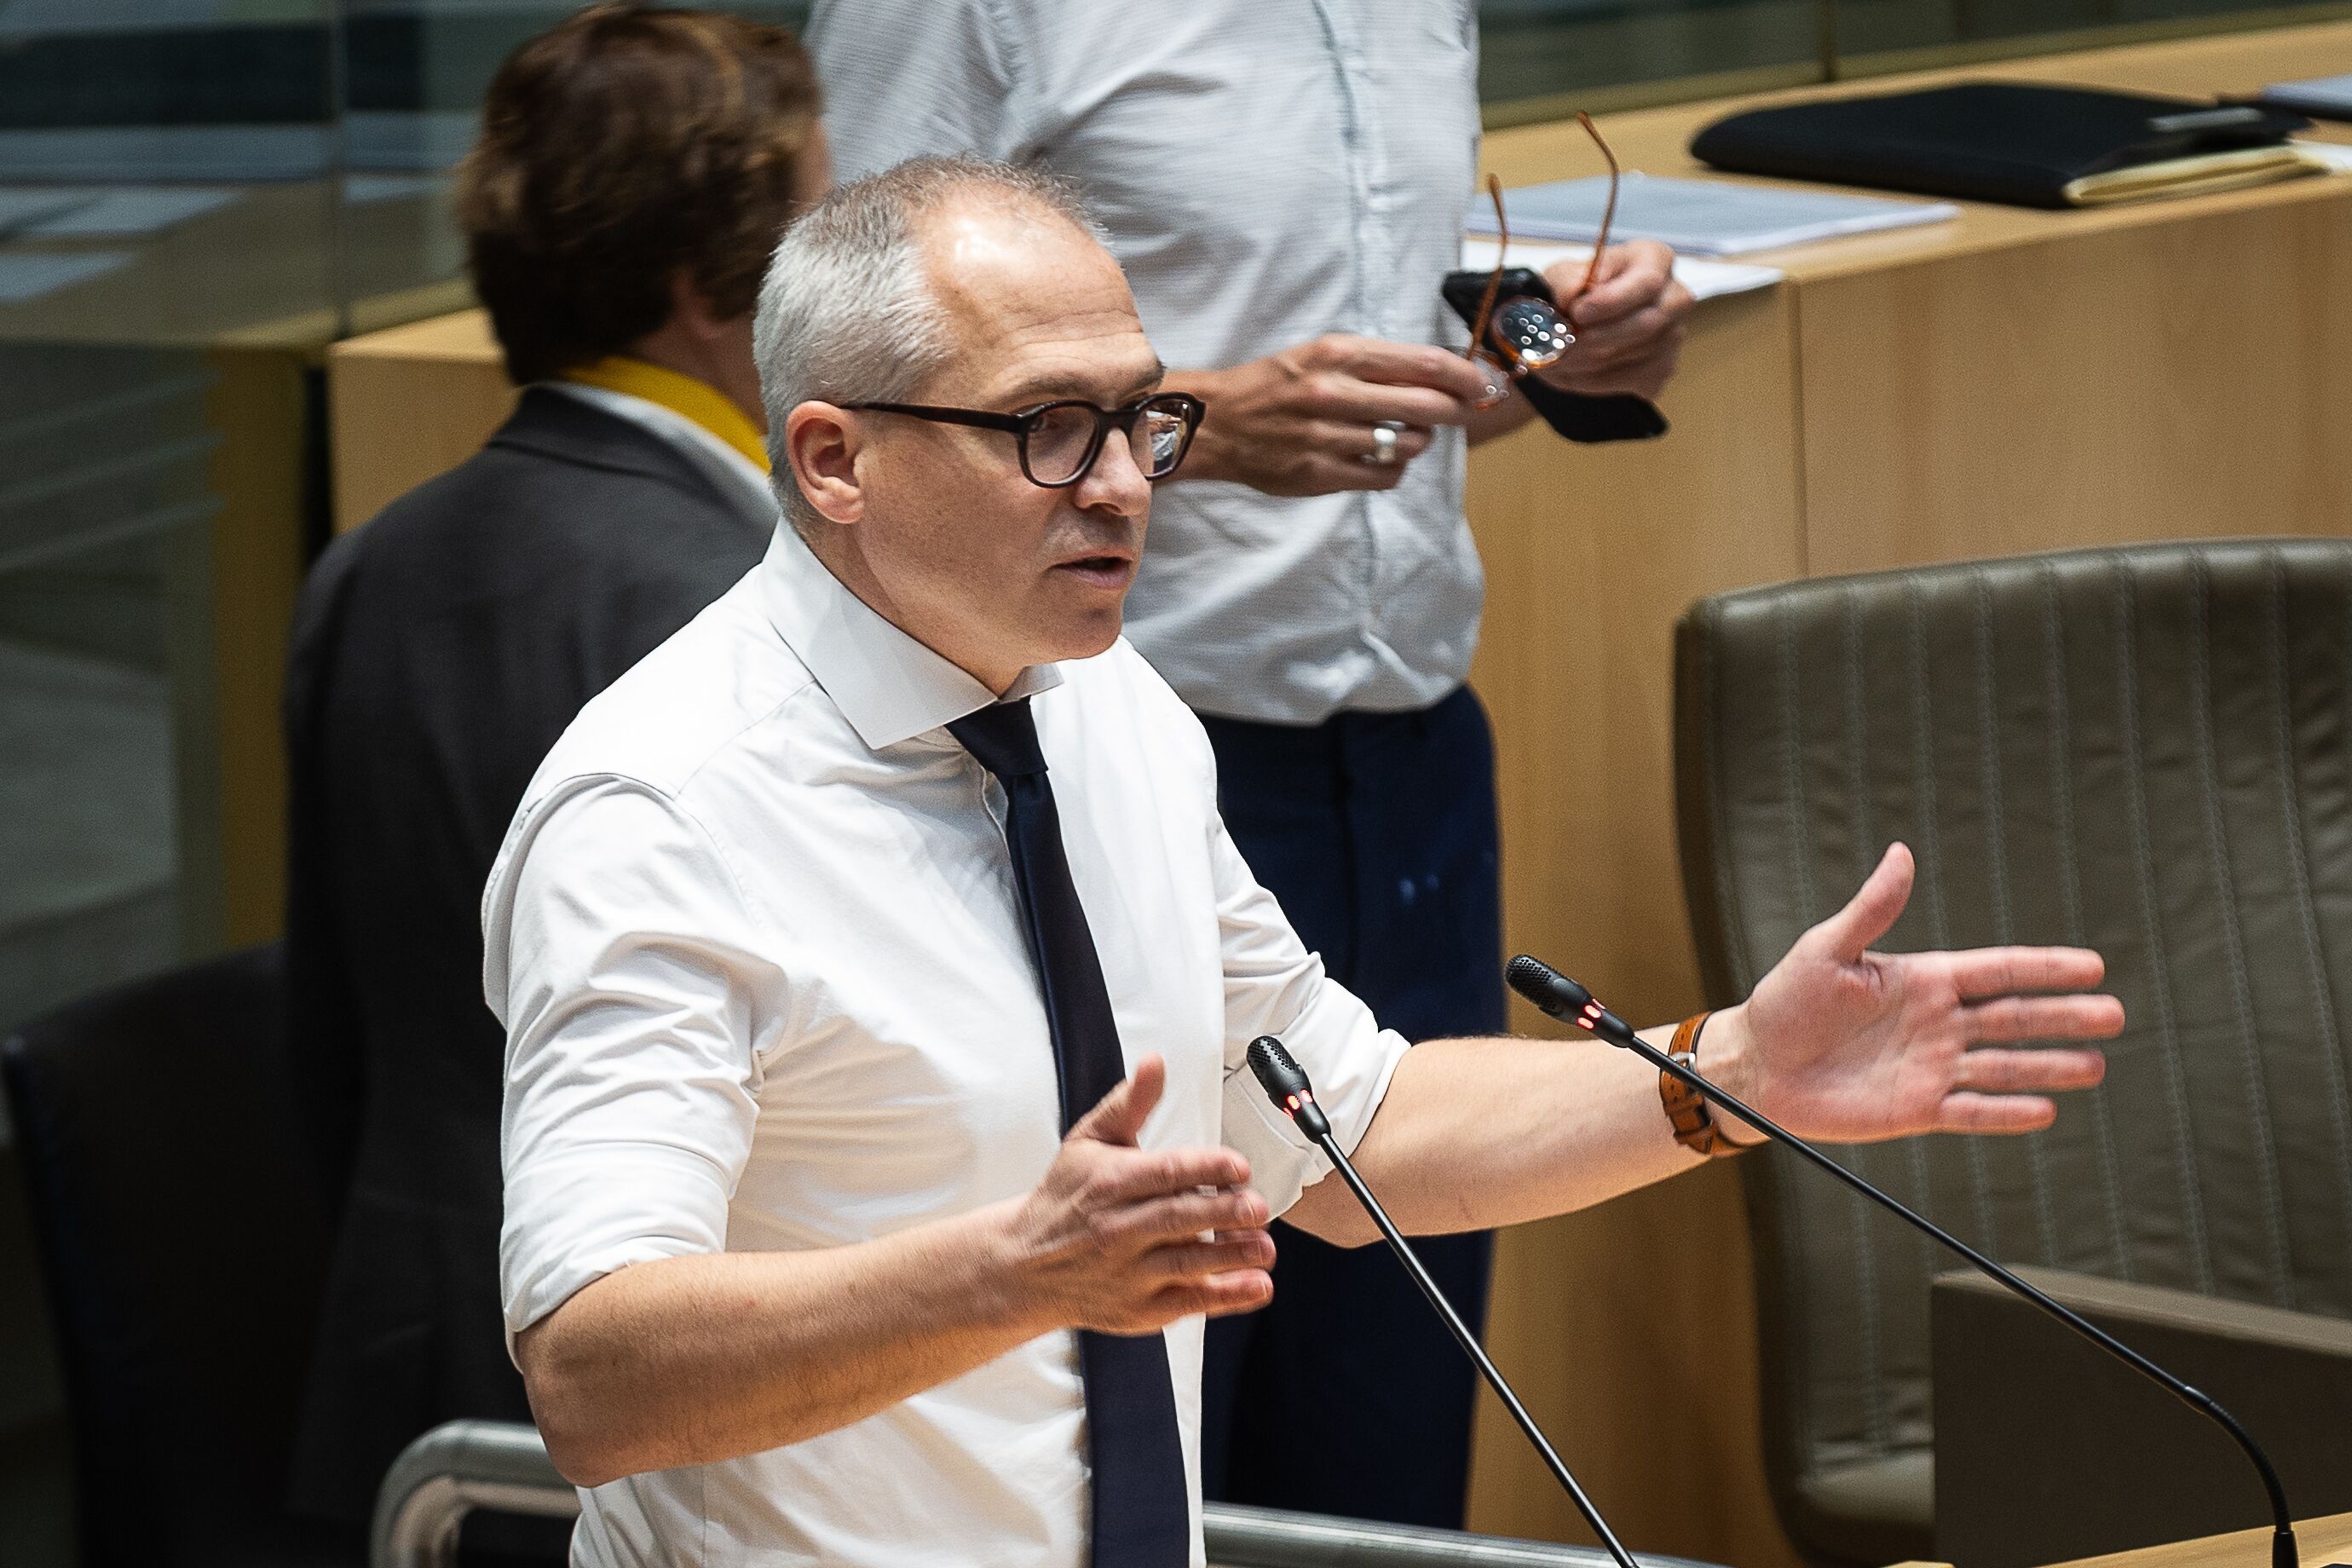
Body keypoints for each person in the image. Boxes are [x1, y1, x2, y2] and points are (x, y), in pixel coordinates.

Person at [490, 157, 2119, 1568]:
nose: (1122, 486)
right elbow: (592, 1374)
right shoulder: (659, 815)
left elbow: (1346, 1128)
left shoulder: (1110, 711)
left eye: (1144, 419)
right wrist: (1010, 1274)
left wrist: (1729, 1072)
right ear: (834, 458)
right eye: (1050, 429)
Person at [802, 2, 1698, 1525]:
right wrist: (1197, 428)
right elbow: (838, 379)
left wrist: (1556, 356)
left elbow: (1372, 390)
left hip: (1412, 757)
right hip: (1084, 760)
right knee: (1132, 1413)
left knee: (1390, 1427)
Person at [280, 3, 826, 1534]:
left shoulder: (365, 562)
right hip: (680, 1395)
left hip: (404, 1347)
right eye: (817, 233)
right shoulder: (756, 612)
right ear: (703, 286)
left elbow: (329, 1041)